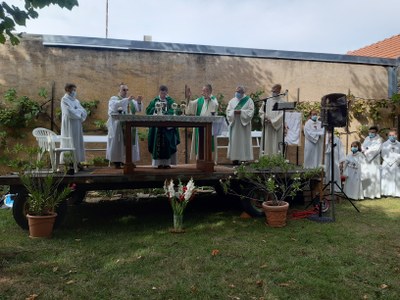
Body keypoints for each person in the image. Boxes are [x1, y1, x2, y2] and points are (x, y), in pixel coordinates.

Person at [106, 83, 142, 169]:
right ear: (119, 90)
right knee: (118, 144)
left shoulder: (130, 101)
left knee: (130, 143)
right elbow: (115, 106)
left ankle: (129, 161)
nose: (126, 92)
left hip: (130, 125)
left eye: (127, 90)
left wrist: (139, 102)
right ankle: (117, 162)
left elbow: (138, 109)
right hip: (118, 126)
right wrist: (127, 100)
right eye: (124, 90)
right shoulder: (114, 99)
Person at [146, 85, 180, 168]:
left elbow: (175, 110)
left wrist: (166, 113)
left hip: (168, 128)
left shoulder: (170, 101)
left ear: (167, 93)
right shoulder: (155, 101)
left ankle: (167, 163)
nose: (163, 95)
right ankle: (158, 164)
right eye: (161, 93)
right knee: (157, 144)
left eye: (164, 93)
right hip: (157, 128)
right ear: (159, 92)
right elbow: (148, 111)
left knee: (167, 144)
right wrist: (155, 109)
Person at [186, 84, 219, 163]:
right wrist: (188, 97)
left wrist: (209, 99)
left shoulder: (213, 99)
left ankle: (209, 160)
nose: (202, 92)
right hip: (199, 125)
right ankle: (200, 159)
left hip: (209, 126)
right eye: (202, 90)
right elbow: (191, 105)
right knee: (199, 142)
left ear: (209, 91)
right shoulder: (200, 100)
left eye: (204, 91)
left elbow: (216, 106)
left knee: (209, 143)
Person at [60, 83, 87, 169]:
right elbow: (69, 112)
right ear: (68, 90)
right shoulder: (64, 100)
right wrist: (78, 112)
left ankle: (78, 161)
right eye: (73, 90)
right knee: (70, 141)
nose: (75, 92)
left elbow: (83, 111)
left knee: (77, 142)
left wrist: (78, 111)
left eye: (75, 90)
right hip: (69, 125)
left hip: (77, 125)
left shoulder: (76, 101)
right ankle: (70, 162)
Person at [226, 86, 254, 164]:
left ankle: (244, 159)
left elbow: (251, 112)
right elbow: (228, 111)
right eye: (236, 91)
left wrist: (241, 112)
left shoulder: (249, 101)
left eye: (238, 92)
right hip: (235, 124)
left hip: (243, 126)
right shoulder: (232, 101)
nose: (237, 93)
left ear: (242, 93)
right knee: (234, 141)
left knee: (243, 141)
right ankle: (234, 158)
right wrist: (233, 113)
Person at [259, 84, 284, 156]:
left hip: (277, 127)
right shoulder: (267, 100)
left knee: (276, 143)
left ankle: (276, 160)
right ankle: (266, 159)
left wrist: (273, 121)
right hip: (267, 125)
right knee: (267, 142)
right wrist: (264, 118)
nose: (273, 92)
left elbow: (283, 114)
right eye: (272, 91)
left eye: (275, 91)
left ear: (279, 91)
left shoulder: (282, 102)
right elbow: (261, 111)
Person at [361, 126, 382, 199]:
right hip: (366, 160)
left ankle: (373, 194)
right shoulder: (367, 138)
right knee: (366, 175)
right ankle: (365, 193)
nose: (371, 133)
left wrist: (366, 151)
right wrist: (363, 150)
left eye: (373, 132)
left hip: (373, 161)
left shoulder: (379, 140)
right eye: (370, 132)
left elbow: (376, 150)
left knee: (373, 176)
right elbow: (363, 146)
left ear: (376, 132)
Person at [381, 129, 400, 197]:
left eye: (393, 135)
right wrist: (389, 162)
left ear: (396, 135)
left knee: (395, 178)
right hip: (387, 164)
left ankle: (396, 193)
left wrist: (396, 160)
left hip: (396, 164)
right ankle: (386, 193)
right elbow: (383, 154)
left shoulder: (399, 144)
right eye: (390, 135)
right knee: (387, 178)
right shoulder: (384, 144)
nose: (392, 136)